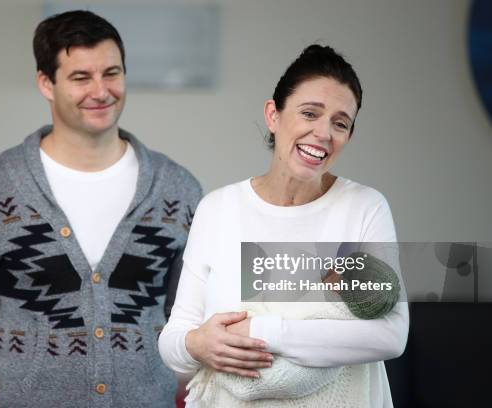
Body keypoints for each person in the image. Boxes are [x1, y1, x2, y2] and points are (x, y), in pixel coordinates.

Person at [0, 10, 201, 408]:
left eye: (112, 73)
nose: (101, 91)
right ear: (46, 83)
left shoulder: (177, 190)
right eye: (81, 77)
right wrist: (24, 382)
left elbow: (186, 317)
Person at [158, 45, 409, 407]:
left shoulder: (364, 208)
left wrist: (260, 331)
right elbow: (174, 341)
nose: (323, 133)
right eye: (310, 113)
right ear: (273, 115)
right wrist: (196, 344)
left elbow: (390, 335)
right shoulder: (217, 209)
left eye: (340, 123)